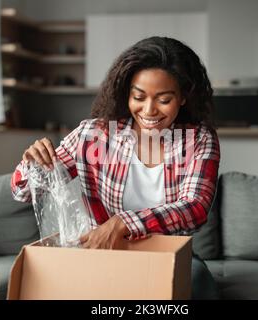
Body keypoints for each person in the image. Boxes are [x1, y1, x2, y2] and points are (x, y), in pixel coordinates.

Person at [11, 36, 221, 299]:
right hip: (104, 255)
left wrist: (122, 222)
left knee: (199, 282)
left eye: (164, 100)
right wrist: (32, 164)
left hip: (168, 253)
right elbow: (24, 192)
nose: (149, 110)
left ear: (183, 98)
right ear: (127, 93)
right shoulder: (94, 135)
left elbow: (195, 207)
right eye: (139, 97)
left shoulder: (198, 139)